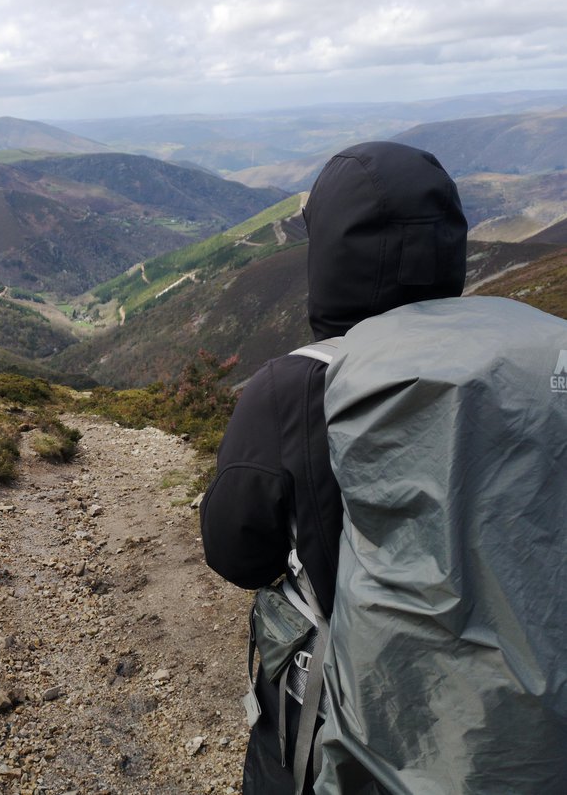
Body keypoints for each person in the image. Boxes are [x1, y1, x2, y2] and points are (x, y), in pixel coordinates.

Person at [199, 140, 468, 793]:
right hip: (502, 706)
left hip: (345, 714)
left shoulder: (291, 389)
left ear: (330, 253)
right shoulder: (513, 375)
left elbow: (236, 551)